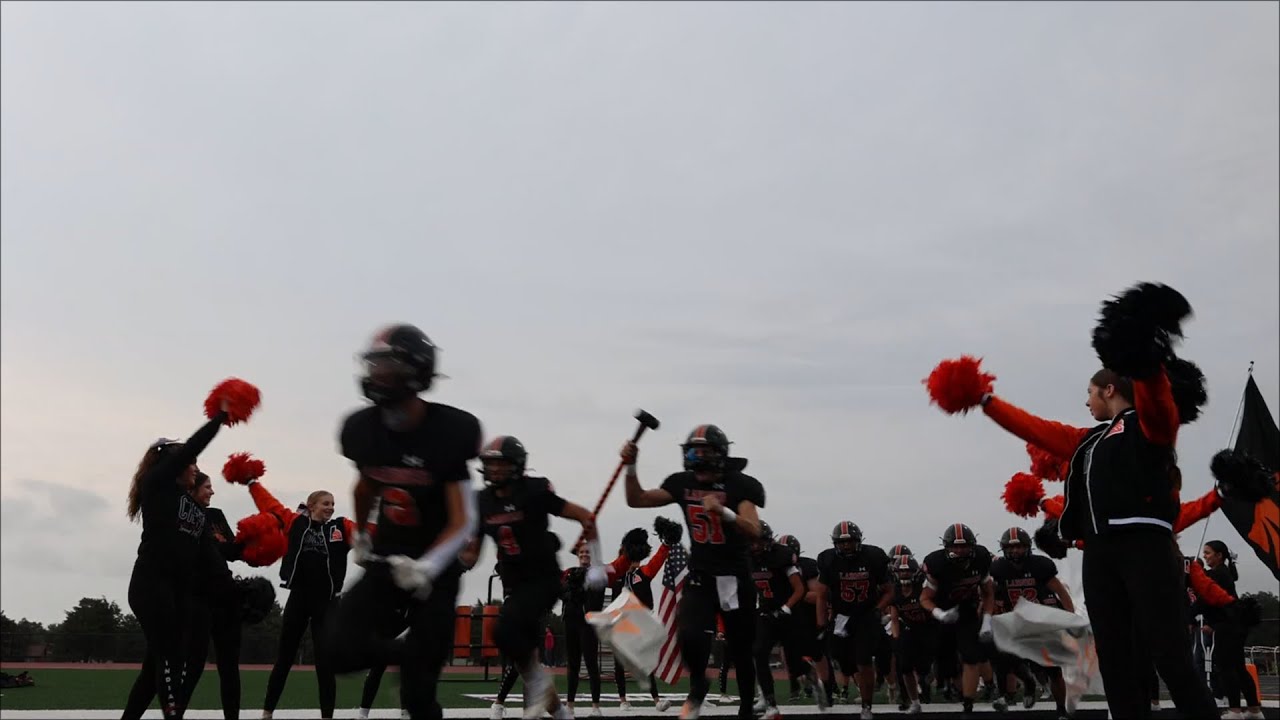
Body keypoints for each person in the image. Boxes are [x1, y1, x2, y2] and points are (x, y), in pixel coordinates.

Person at [925, 282, 1220, 720]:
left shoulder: (1152, 425)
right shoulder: (1087, 440)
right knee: (1116, 660)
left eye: (1089, 391)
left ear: (1108, 391)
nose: (1085, 400)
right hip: (1100, 556)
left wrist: (1143, 353)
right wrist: (983, 398)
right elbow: (1033, 428)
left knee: (1169, 657)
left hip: (1146, 550)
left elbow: (1155, 393)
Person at [323, 324, 483, 720]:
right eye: (374, 362)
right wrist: (361, 535)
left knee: (418, 699)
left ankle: (418, 668)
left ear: (415, 370)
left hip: (436, 567)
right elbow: (365, 487)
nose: (377, 371)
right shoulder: (363, 430)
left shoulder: (449, 432)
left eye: (388, 362)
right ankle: (410, 654)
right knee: (337, 651)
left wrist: (426, 567)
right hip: (388, 558)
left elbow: (463, 521)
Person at [124, 383, 255, 720]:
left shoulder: (194, 509)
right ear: (173, 463)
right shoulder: (157, 487)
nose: (196, 468)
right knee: (172, 656)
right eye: (191, 463)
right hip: (151, 586)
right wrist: (218, 419)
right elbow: (186, 452)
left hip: (177, 591)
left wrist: (248, 563)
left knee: (154, 669)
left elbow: (210, 556)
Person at [622, 424, 765, 720]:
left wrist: (724, 512)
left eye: (704, 451)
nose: (698, 457)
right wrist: (631, 465)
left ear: (720, 455)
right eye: (693, 451)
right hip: (701, 575)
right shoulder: (682, 483)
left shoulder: (740, 485)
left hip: (735, 578)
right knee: (688, 634)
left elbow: (755, 530)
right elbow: (636, 499)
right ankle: (699, 681)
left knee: (740, 649)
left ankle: (746, 708)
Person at [461, 435, 604, 720]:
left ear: (516, 466)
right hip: (515, 585)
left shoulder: (533, 492)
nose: (494, 471)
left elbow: (585, 516)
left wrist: (598, 564)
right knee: (521, 655)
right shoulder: (482, 501)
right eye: (490, 465)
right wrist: (437, 562)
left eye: (501, 465)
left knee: (502, 631)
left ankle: (540, 686)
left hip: (543, 580)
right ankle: (559, 711)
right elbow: (471, 555)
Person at [122, 470, 277, 720]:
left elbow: (228, 550)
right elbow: (205, 553)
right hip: (195, 600)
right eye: (207, 487)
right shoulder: (182, 518)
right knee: (185, 667)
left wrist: (257, 545)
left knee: (229, 668)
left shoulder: (215, 516)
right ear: (191, 490)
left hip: (224, 598)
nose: (212, 491)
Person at [256, 488, 357, 720]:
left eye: (332, 503)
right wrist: (252, 481)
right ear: (311, 506)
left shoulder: (340, 528)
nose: (331, 507)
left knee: (325, 663)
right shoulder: (296, 524)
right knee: (284, 657)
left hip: (328, 603)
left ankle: (327, 716)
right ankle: (267, 712)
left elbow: (367, 534)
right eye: (325, 503)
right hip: (299, 599)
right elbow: (270, 505)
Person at [988, 526, 1074, 717]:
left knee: (1053, 671)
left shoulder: (1041, 565)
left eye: (1019, 546)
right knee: (1003, 659)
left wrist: (1070, 617)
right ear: (1003, 549)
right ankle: (1017, 689)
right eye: (1011, 548)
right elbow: (991, 595)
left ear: (1027, 547)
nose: (1015, 551)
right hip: (1016, 622)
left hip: (1043, 621)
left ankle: (1062, 710)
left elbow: (1060, 591)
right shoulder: (998, 568)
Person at [815, 522, 891, 720]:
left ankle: (867, 706)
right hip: (841, 616)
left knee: (864, 660)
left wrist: (878, 609)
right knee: (841, 659)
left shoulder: (873, 557)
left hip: (866, 614)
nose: (846, 546)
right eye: (842, 542)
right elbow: (821, 595)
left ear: (858, 541)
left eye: (849, 542)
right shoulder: (828, 560)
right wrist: (821, 624)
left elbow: (890, 590)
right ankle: (864, 689)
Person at [918, 523, 995, 716]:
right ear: (947, 547)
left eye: (964, 546)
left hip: (967, 611)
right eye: (955, 546)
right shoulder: (937, 564)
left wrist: (986, 620)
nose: (960, 551)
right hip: (942, 613)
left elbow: (988, 593)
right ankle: (952, 688)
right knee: (946, 663)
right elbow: (924, 598)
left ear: (972, 546)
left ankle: (968, 705)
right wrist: (940, 614)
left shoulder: (981, 559)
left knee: (971, 656)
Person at [608, 526, 672, 711]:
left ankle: (656, 700)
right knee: (619, 661)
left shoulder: (643, 573)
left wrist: (666, 544)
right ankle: (623, 699)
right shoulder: (615, 575)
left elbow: (658, 560)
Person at [748, 521, 804, 719]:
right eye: (751, 542)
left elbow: (799, 589)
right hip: (766, 610)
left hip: (788, 609)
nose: (755, 546)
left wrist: (786, 608)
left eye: (759, 542)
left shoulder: (781, 556)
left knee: (794, 659)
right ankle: (770, 704)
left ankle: (812, 681)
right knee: (759, 651)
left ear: (768, 541)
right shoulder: (747, 558)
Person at [1202, 541, 1263, 720]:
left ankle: (1235, 710)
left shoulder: (1217, 574)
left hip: (1227, 626)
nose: (1205, 556)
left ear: (1219, 555)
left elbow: (1206, 599)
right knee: (1238, 667)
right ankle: (1253, 709)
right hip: (1236, 625)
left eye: (1208, 553)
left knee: (1226, 668)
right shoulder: (1225, 573)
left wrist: (1194, 618)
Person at [776, 534, 826, 707]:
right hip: (786, 615)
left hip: (807, 617)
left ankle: (826, 687)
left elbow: (817, 595)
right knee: (787, 654)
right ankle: (795, 688)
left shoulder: (807, 566)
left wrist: (796, 595)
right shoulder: (774, 565)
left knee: (815, 655)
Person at [561, 544, 607, 717]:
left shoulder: (597, 574)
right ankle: (570, 705)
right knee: (572, 665)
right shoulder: (569, 573)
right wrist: (568, 591)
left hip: (587, 624)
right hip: (570, 622)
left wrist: (584, 590)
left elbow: (597, 603)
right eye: (581, 552)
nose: (584, 555)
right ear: (577, 555)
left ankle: (596, 706)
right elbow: (560, 592)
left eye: (587, 552)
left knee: (591, 664)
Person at [887, 554, 932, 715]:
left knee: (924, 667)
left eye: (908, 571)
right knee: (904, 665)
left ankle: (925, 683)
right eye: (901, 572)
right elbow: (894, 617)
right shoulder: (895, 591)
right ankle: (914, 701)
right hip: (909, 629)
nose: (904, 575)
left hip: (929, 628)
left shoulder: (924, 587)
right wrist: (896, 638)